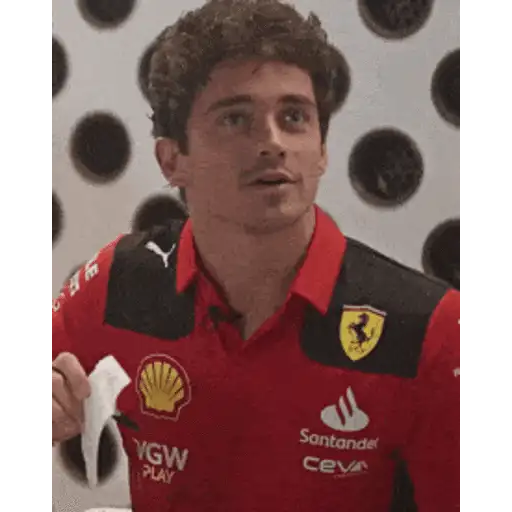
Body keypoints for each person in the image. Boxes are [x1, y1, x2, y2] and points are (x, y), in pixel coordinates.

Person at [52, 1, 460, 510]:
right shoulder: (119, 280)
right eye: (236, 118)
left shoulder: (429, 328)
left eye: (294, 117)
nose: (272, 142)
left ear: (322, 150)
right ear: (172, 159)